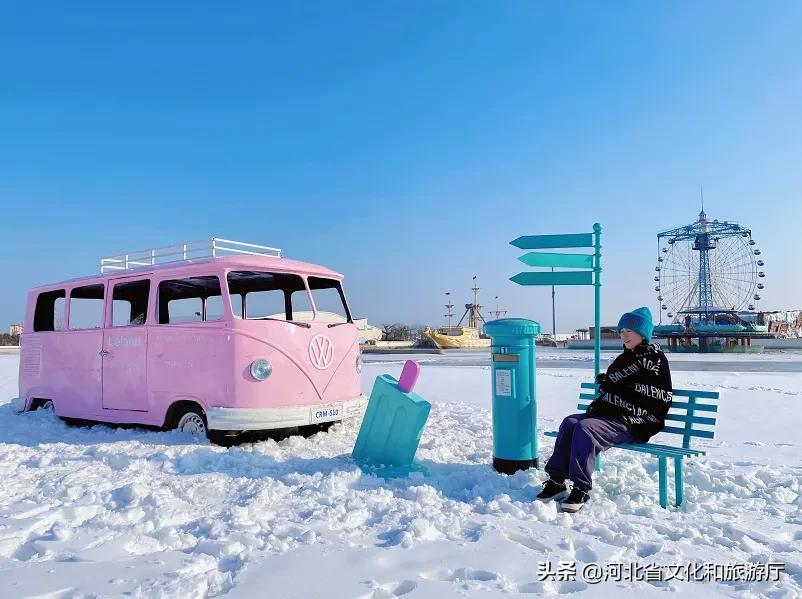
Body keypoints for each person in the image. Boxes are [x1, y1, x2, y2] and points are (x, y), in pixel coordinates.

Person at [537, 307, 673, 513]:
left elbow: (652, 395)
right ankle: (556, 482)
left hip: (636, 420)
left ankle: (581, 487)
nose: (624, 335)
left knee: (585, 428)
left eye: (629, 330)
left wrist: (615, 385)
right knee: (570, 423)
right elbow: (614, 384)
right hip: (611, 416)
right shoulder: (623, 359)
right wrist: (610, 382)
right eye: (621, 331)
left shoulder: (655, 359)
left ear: (642, 333)